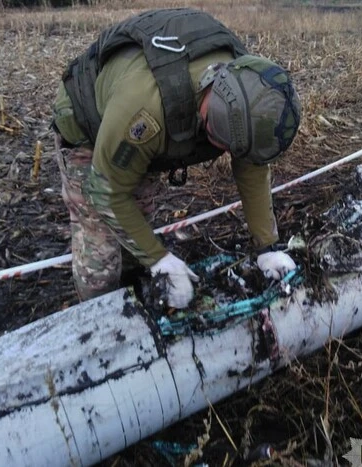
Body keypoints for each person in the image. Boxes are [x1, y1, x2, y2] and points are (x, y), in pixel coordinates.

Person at [52, 8, 301, 308]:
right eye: (215, 135)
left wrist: (267, 246)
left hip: (134, 125)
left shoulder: (249, 94)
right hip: (87, 126)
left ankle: (137, 292)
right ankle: (98, 319)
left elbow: (253, 169)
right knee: (101, 251)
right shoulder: (146, 111)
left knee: (137, 224)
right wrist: (159, 258)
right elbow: (107, 192)